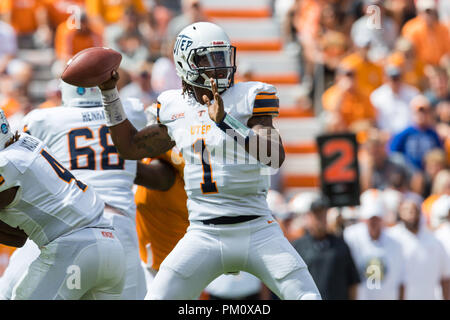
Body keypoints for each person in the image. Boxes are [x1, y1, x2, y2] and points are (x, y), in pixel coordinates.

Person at [98, 21, 321, 300]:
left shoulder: (249, 96)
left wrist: (227, 122)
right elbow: (130, 147)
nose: (219, 66)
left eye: (222, 57)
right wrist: (109, 93)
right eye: (208, 58)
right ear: (184, 63)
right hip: (203, 233)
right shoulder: (173, 107)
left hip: (257, 228)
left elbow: (273, 156)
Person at [0, 82, 171, 300]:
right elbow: (17, 237)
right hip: (114, 237)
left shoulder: (25, 140)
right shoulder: (26, 143)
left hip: (68, 243)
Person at [0, 109, 125, 299]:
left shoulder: (6, 164)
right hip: (111, 246)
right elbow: (17, 238)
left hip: (73, 249)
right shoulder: (23, 144)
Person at [292, 193, 360, 300]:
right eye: (316, 215)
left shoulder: (340, 245)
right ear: (308, 216)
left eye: (322, 214)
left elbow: (352, 282)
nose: (320, 219)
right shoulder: (298, 246)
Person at [343, 189, 405, 300]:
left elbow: (400, 281)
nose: (374, 223)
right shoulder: (351, 236)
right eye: (370, 219)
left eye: (377, 219)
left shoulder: (395, 243)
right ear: (364, 219)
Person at [387, 194, 450, 300]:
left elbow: (445, 277)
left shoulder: (434, 240)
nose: (411, 213)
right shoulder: (391, 238)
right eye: (406, 210)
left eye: (414, 210)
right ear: (400, 212)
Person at [389, 95, 443, 171]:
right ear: (412, 112)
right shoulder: (405, 133)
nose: (421, 115)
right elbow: (393, 154)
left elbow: (440, 155)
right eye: (418, 111)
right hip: (408, 174)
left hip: (429, 173)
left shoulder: (433, 134)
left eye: (425, 112)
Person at [370, 64, 419, 136]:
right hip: (385, 136)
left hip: (409, 136)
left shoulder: (413, 93)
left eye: (397, 78)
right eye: (392, 78)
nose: (394, 81)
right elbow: (373, 121)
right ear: (385, 78)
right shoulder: (377, 96)